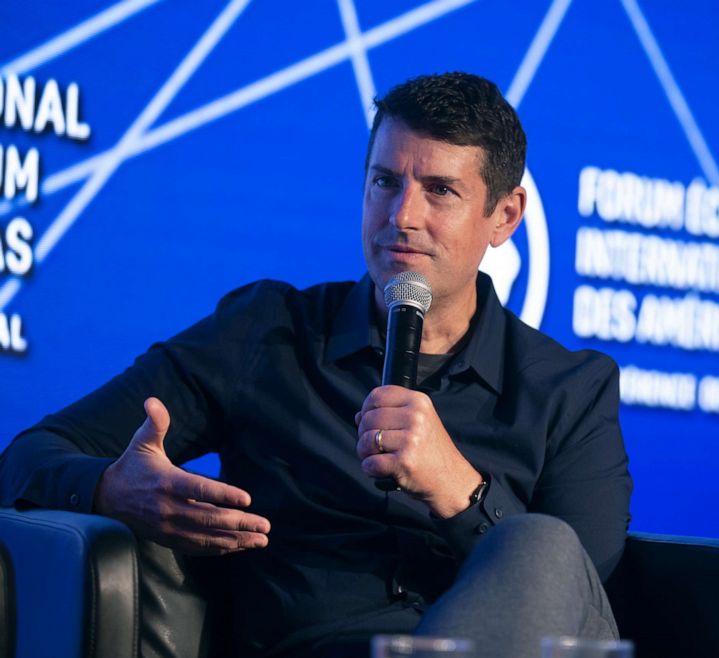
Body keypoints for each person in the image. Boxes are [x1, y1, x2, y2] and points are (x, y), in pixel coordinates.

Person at [0, 72, 632, 657]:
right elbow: (30, 455)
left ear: (505, 216)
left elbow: (580, 583)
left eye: (439, 190)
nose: (401, 216)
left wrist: (458, 490)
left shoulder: (570, 388)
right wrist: (111, 488)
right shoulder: (267, 334)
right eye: (385, 181)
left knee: (542, 545)